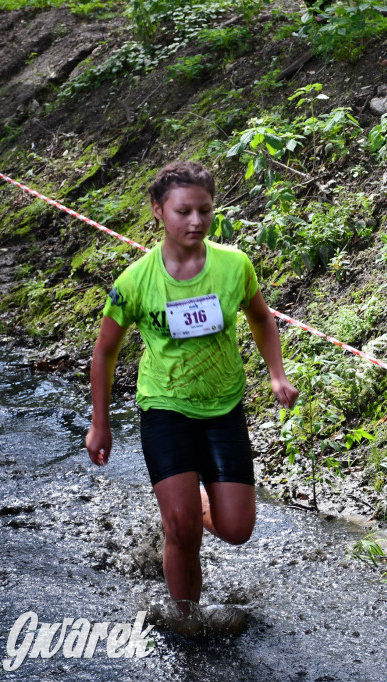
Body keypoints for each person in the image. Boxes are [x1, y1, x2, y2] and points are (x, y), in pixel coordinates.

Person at [85, 161, 298, 627]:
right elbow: (104, 352)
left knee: (236, 529)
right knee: (180, 530)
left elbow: (262, 318)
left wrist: (276, 374)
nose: (196, 222)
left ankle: (193, 503)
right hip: (165, 406)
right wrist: (100, 423)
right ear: (159, 211)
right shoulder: (133, 283)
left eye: (204, 210)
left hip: (223, 406)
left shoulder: (233, 265)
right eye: (184, 211)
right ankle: (187, 616)